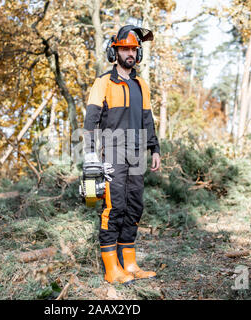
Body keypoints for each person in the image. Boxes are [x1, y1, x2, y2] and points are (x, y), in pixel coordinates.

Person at [83, 25, 161, 284]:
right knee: (114, 206)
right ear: (114, 51)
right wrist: (91, 155)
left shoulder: (142, 85)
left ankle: (129, 263)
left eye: (133, 49)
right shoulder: (103, 82)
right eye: (124, 48)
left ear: (137, 54)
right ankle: (110, 268)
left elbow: (148, 120)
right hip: (113, 150)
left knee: (134, 206)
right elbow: (91, 120)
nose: (129, 53)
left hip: (138, 152)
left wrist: (155, 149)